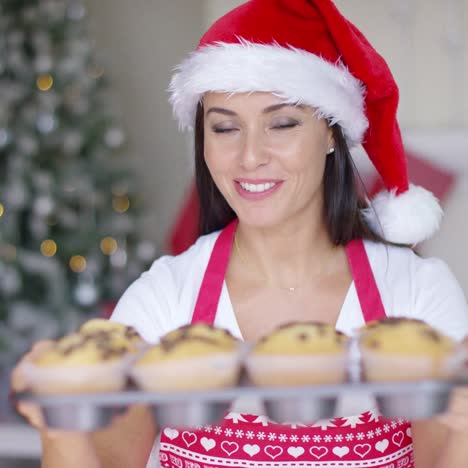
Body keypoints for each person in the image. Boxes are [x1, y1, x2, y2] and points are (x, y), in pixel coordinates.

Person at [11, 0, 468, 467]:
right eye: (225, 128)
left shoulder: (416, 296)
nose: (250, 156)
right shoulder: (166, 299)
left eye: (282, 123)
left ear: (332, 133)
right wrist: (59, 426)